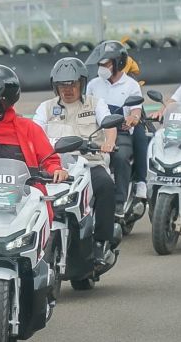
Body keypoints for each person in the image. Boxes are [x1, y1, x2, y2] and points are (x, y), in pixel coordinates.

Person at [33, 57, 118, 265]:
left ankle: (100, 242)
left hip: (89, 163)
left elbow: (109, 125)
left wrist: (109, 142)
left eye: (73, 84)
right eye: (63, 84)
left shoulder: (95, 104)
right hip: (56, 165)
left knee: (106, 185)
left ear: (82, 83)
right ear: (56, 86)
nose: (68, 89)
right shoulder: (45, 108)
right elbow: (33, 132)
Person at [85, 40, 146, 216]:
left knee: (120, 157)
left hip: (122, 132)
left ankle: (119, 202)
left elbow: (136, 110)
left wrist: (132, 119)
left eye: (105, 64)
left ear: (118, 63)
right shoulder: (93, 84)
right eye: (100, 64)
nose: (101, 67)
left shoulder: (131, 85)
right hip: (97, 133)